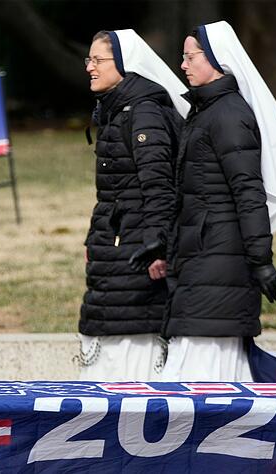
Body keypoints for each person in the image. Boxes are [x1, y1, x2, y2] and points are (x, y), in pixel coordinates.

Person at [142, 21, 276, 381]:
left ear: (217, 60)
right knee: (198, 362)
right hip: (204, 257)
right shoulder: (207, 111)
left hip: (219, 260)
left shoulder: (228, 116)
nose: (183, 65)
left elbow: (248, 191)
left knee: (208, 367)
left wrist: (261, 262)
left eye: (190, 56)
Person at [76, 29, 188, 381]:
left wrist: (159, 246)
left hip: (137, 248)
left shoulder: (143, 113)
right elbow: (114, 192)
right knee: (112, 321)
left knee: (132, 331)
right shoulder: (117, 110)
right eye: (88, 60)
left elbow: (158, 186)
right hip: (117, 243)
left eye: (98, 61)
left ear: (124, 64)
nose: (90, 68)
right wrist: (95, 240)